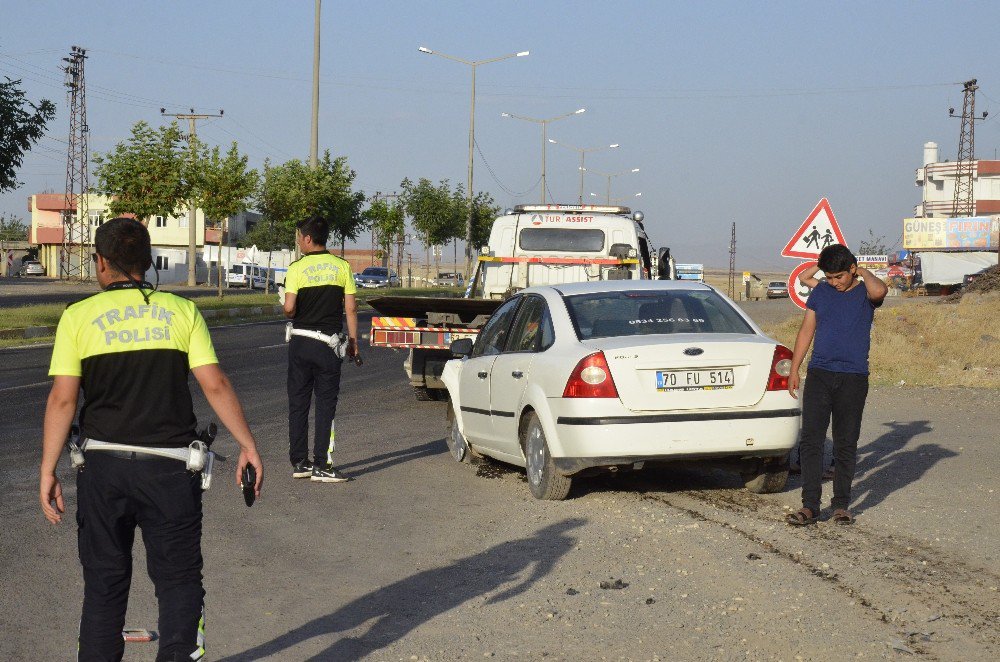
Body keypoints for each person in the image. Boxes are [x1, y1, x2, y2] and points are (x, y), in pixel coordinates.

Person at [39, 217, 263, 661]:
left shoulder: (77, 317)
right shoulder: (182, 312)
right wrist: (248, 445)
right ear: (146, 262)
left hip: (103, 472)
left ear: (101, 263)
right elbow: (214, 383)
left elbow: (63, 401)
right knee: (179, 582)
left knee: (103, 586)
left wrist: (47, 470)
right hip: (171, 471)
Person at [786, 244, 887, 526]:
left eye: (839, 277)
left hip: (853, 377)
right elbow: (807, 330)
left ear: (852, 270)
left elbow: (880, 291)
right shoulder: (822, 291)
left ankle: (841, 505)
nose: (834, 283)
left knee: (846, 442)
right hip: (820, 373)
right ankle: (810, 506)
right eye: (829, 277)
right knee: (811, 441)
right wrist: (795, 369)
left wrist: (859, 270)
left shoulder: (866, 293)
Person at [282, 214, 359, 482]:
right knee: (325, 405)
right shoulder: (342, 267)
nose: (298, 242)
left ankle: (300, 463)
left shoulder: (296, 268)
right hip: (329, 345)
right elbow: (350, 308)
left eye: (298, 238)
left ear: (307, 238)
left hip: (300, 344)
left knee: (298, 403)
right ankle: (322, 465)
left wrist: (288, 306)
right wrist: (354, 343)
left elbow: (290, 308)